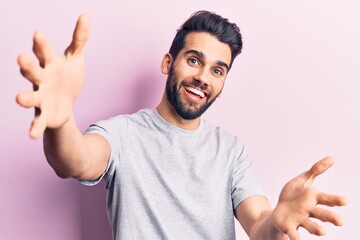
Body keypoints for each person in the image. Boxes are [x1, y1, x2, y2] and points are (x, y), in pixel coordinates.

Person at [16, 10, 346, 240]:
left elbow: (259, 224)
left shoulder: (230, 150)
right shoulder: (122, 133)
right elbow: (76, 160)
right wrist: (60, 122)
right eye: (194, 60)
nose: (203, 77)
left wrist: (277, 222)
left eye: (217, 71)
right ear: (167, 62)